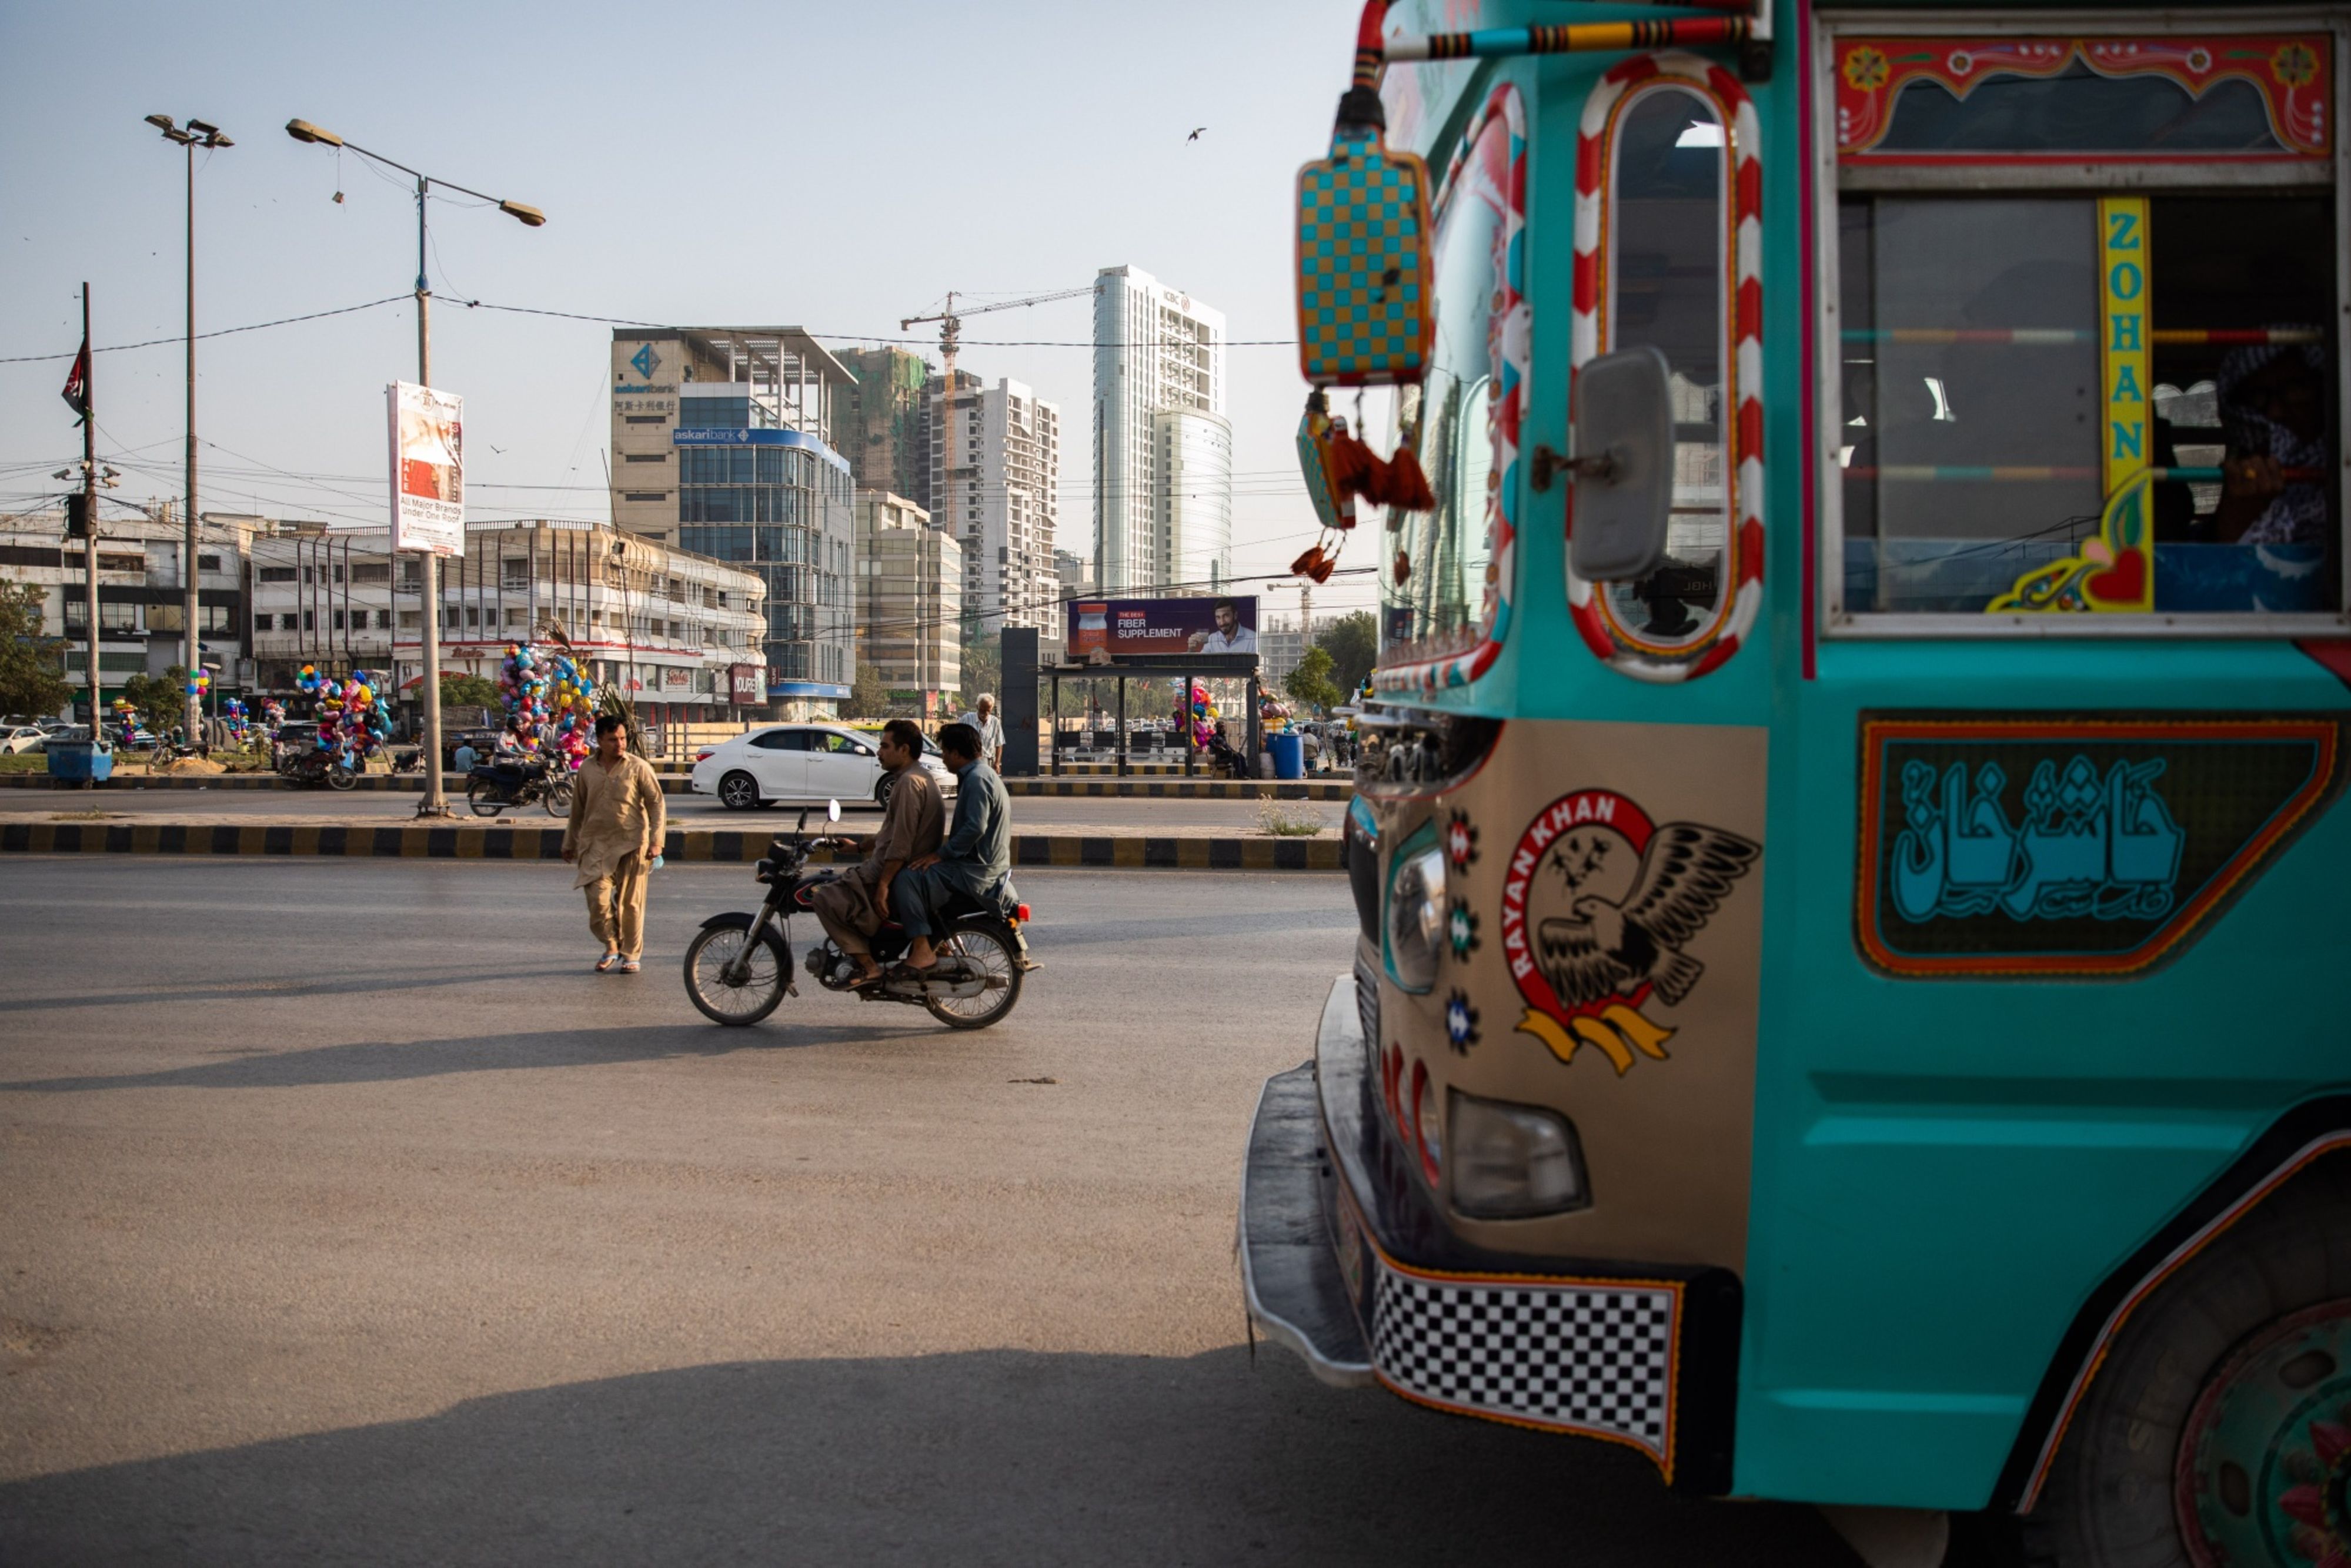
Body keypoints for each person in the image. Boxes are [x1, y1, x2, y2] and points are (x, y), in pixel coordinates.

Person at [810, 718, 943, 987]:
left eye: (885, 746)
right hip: (894, 868)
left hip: (887, 873)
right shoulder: (918, 778)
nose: (879, 752)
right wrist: (858, 847)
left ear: (904, 750)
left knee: (823, 898)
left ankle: (869, 967)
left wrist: (883, 885)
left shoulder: (908, 784)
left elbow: (902, 844)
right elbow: (891, 833)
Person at [894, 722, 1010, 974]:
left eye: (945, 752)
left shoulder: (977, 780)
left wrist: (940, 855)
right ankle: (942, 945)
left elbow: (974, 828)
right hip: (982, 865)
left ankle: (923, 950)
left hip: (975, 870)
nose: (943, 757)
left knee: (906, 879)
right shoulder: (984, 774)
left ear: (957, 754)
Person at [562, 713, 667, 975]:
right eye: (612, 740)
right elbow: (578, 808)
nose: (619, 744)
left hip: (633, 844)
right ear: (599, 741)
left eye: (622, 738)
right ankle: (611, 945)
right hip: (595, 844)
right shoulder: (587, 768)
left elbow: (656, 804)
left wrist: (657, 842)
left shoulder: (639, 767)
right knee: (597, 902)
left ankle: (631, 954)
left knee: (631, 905)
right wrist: (570, 842)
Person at [2214, 336, 2333, 546]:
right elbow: (2225, 570)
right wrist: (2241, 511)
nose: (2275, 412)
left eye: (2295, 390)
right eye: (2259, 396)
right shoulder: (2239, 484)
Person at [1190, 597, 1258, 656]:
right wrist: (1191, 649)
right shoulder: (1211, 639)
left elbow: (1257, 668)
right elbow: (1200, 666)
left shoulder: (1253, 639)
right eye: (1218, 617)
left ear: (1235, 615)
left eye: (1226, 616)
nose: (1222, 622)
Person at [957, 694, 1005, 771]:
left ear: (991, 709)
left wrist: (997, 763)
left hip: (988, 762)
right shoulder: (967, 719)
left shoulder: (995, 722)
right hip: (969, 762)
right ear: (977, 707)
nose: (985, 713)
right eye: (982, 710)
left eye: (988, 710)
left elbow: (999, 744)